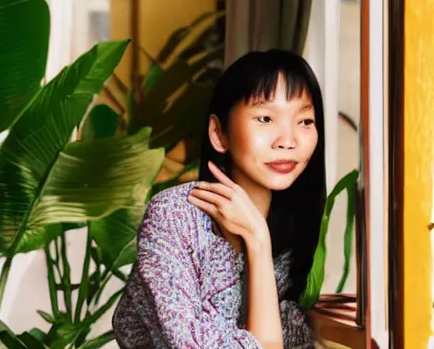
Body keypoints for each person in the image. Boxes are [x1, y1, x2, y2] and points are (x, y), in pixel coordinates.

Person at [113, 49, 326, 349]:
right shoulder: (175, 217)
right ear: (219, 133)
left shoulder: (293, 224)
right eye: (265, 118)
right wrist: (258, 240)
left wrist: (259, 245)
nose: (288, 141)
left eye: (304, 121)